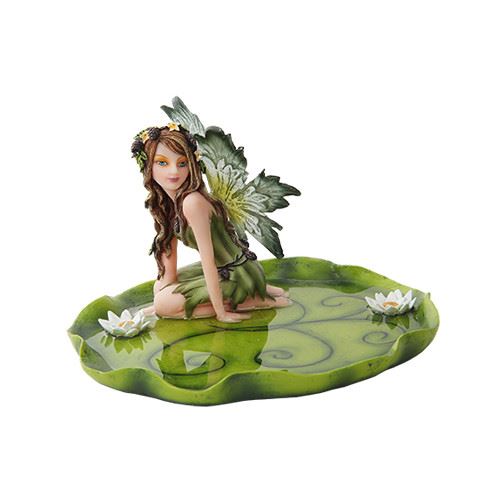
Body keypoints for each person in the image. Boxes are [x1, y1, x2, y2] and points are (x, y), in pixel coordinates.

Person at [136, 125, 291, 323]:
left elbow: (208, 260)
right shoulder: (166, 206)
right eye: (162, 163)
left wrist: (220, 313)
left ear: (192, 165)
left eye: (182, 163)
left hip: (238, 272)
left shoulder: (192, 202)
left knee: (164, 302)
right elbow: (169, 269)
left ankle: (252, 299)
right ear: (148, 165)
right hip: (222, 270)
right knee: (159, 288)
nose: (174, 171)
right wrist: (159, 300)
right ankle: (256, 291)